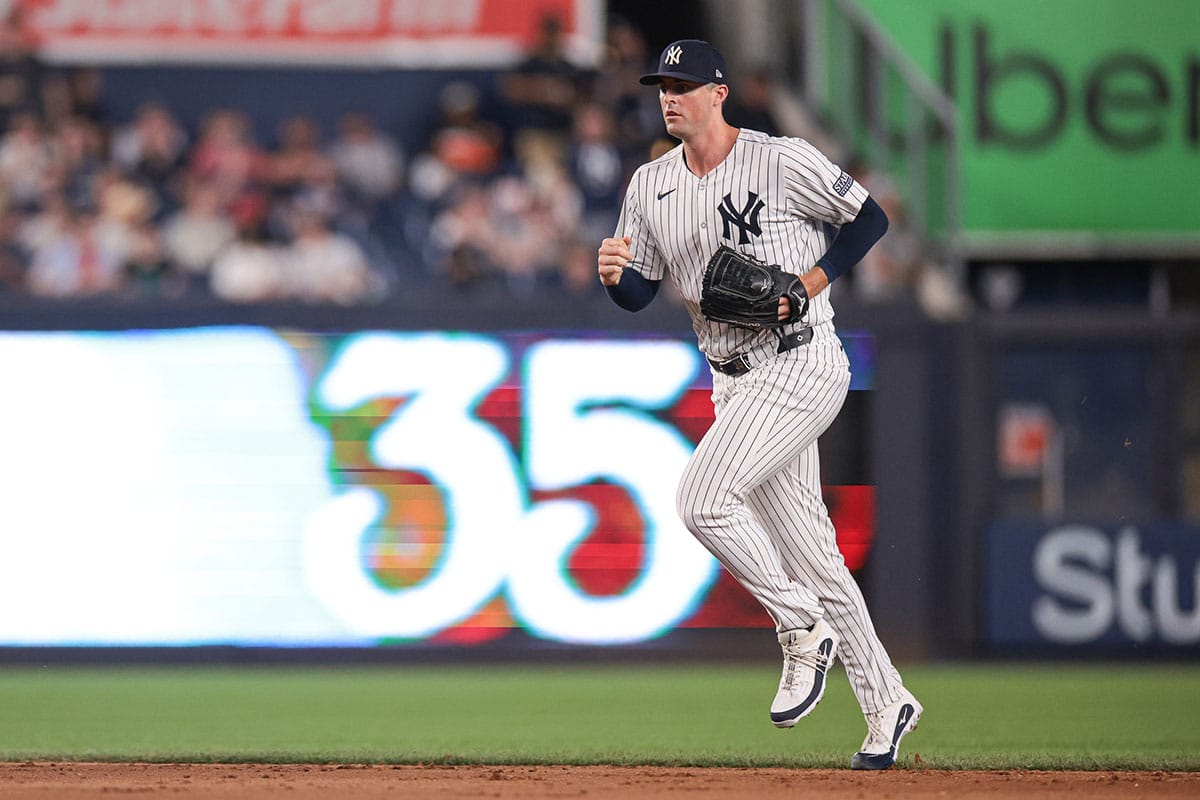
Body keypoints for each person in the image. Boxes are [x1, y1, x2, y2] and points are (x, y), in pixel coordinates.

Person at [596, 40, 922, 771]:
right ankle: (886, 700)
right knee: (816, 554)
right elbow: (642, 291)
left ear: (718, 93)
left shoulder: (780, 158)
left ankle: (798, 625)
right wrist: (616, 277)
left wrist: (809, 281)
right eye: (661, 85)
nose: (668, 96)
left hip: (802, 358)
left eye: (683, 84)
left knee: (703, 498)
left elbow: (869, 219)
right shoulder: (650, 186)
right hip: (732, 377)